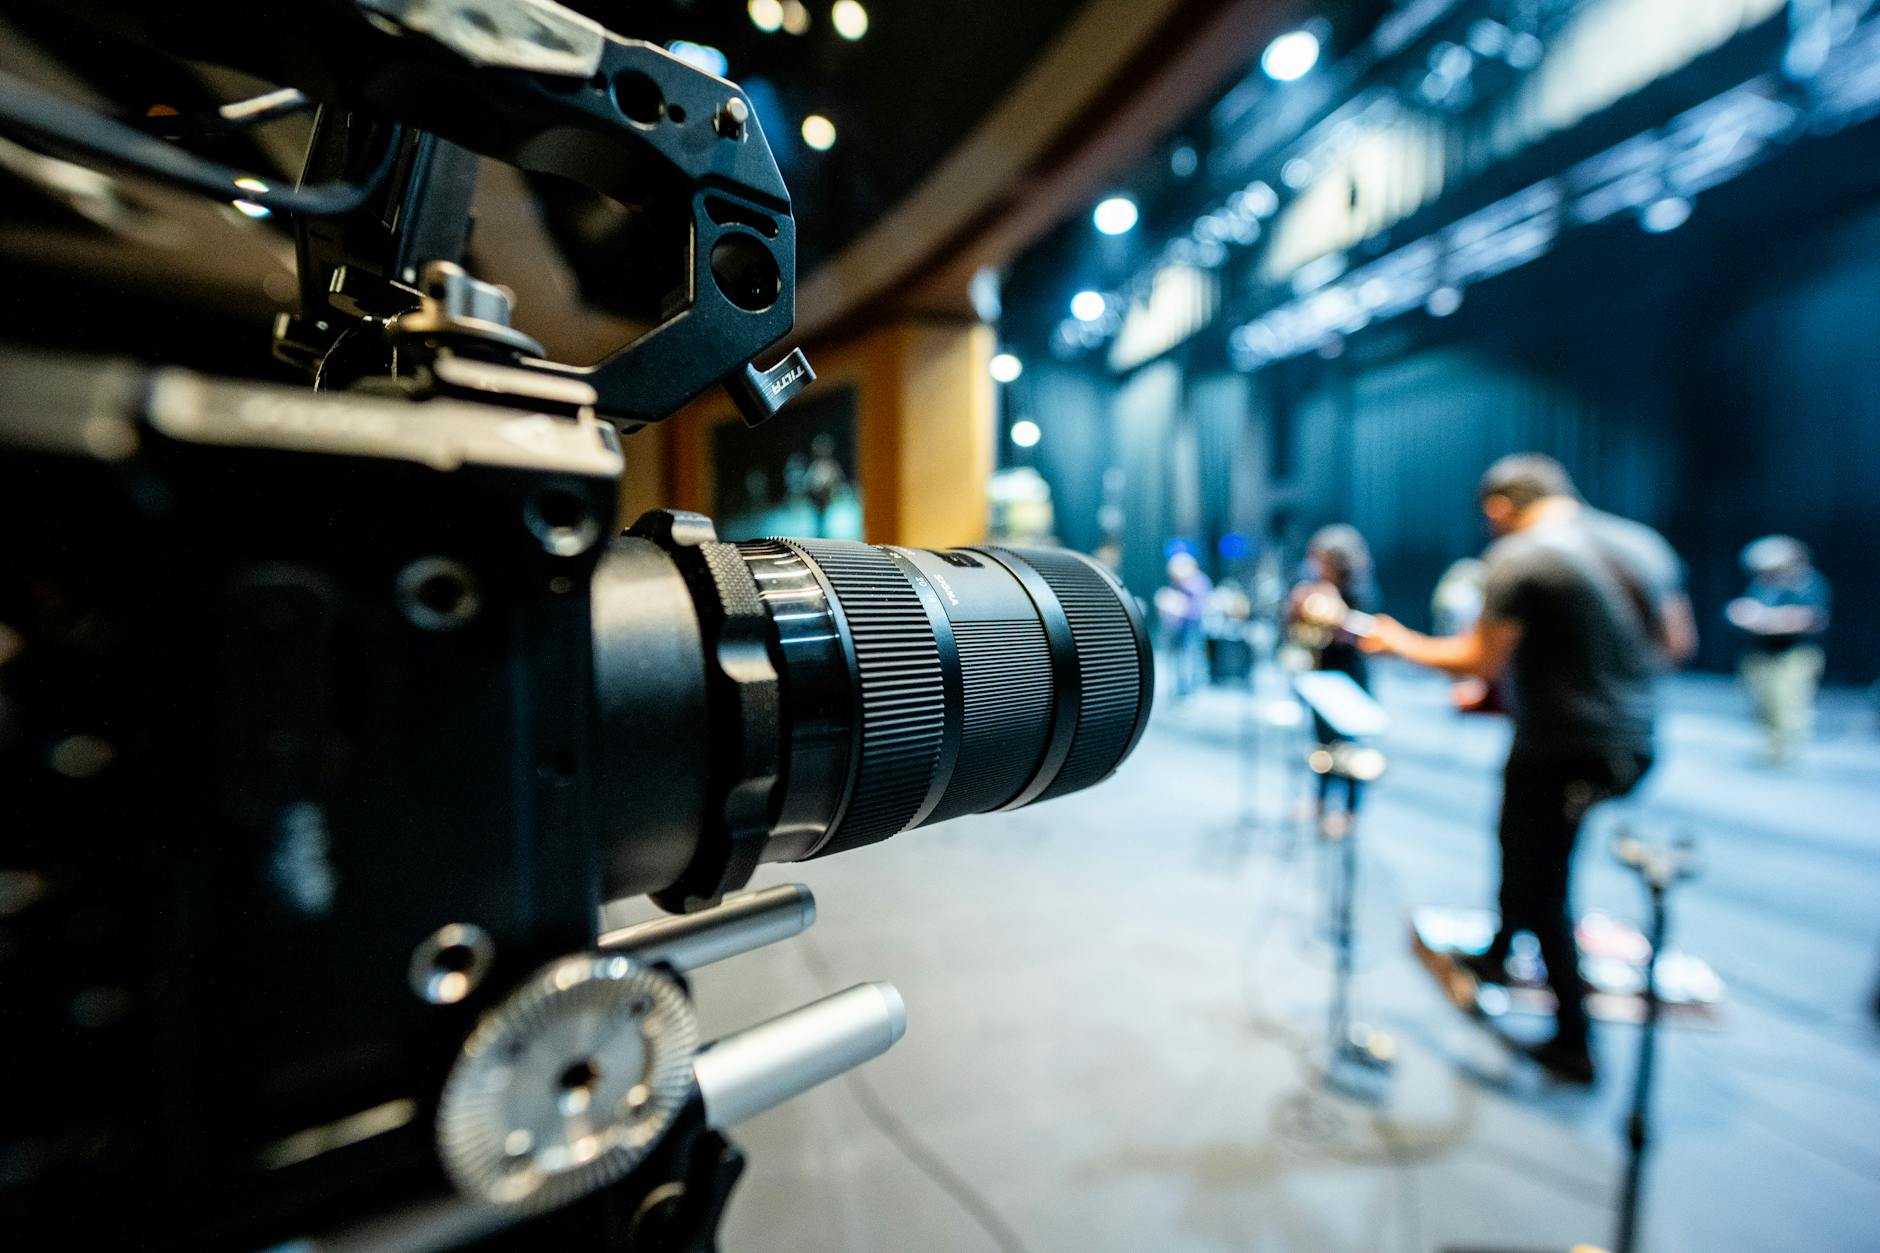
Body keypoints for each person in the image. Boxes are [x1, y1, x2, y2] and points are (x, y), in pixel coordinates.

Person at [1358, 455, 1693, 1083]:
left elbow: (1478, 661)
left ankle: (1574, 1042)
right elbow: (1676, 645)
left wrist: (1394, 641)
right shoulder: (1641, 545)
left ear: (1500, 507)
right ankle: (1496, 958)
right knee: (1519, 848)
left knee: (1542, 882)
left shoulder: (1519, 557)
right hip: (1636, 742)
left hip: (1561, 746)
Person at [1288, 525, 1379, 811]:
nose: (1315, 563)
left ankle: (1350, 810)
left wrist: (1329, 604)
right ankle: (1320, 800)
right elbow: (1298, 629)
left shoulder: (1359, 590)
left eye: (1320, 557)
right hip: (1322, 671)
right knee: (1322, 741)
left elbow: (1357, 629)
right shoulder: (1314, 587)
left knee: (1349, 744)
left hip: (1350, 672)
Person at [1727, 535, 1830, 765]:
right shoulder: (1764, 584)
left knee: (1787, 702)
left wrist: (1768, 620)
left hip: (1793, 654)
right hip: (1761, 653)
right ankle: (1771, 748)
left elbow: (1811, 617)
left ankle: (1784, 753)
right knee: (1763, 704)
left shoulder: (1807, 583)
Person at [1153, 550, 1212, 700]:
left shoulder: (1198, 582)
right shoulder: (1180, 583)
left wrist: (1177, 606)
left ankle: (1188, 690)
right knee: (1178, 658)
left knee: (1189, 657)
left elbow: (1196, 609)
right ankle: (1181, 689)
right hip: (1177, 627)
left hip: (1191, 626)